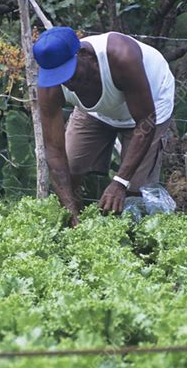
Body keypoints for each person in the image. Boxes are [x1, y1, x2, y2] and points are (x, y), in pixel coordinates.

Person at [33, 26, 175, 225]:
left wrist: (120, 182)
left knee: (134, 190)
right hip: (94, 110)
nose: (68, 84)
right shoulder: (50, 87)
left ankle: (132, 237)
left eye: (70, 74)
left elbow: (145, 122)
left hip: (150, 106)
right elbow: (54, 151)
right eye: (60, 78)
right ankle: (80, 223)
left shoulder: (121, 56)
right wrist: (70, 212)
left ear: (84, 54)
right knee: (72, 167)